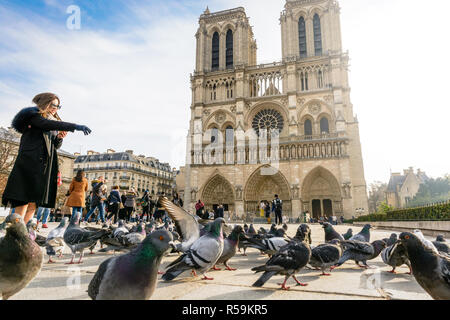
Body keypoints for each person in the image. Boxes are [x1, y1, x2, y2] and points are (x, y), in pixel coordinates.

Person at [1, 92, 91, 223]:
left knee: (34, 201)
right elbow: (45, 124)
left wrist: (59, 138)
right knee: (23, 199)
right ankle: (16, 231)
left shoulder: (52, 122)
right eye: (54, 105)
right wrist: (75, 126)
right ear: (45, 103)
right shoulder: (33, 116)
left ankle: (24, 231)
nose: (56, 108)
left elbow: (54, 145)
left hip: (43, 164)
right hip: (29, 162)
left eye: (58, 106)